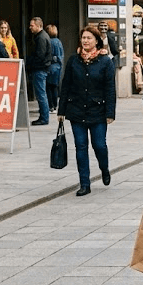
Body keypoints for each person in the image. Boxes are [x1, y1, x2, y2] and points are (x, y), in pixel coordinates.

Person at [58, 26, 116, 196]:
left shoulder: (105, 62)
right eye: (83, 37)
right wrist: (61, 110)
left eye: (89, 38)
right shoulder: (73, 60)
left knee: (99, 145)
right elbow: (66, 85)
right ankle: (85, 183)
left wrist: (110, 113)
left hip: (97, 110)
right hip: (76, 110)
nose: (85, 41)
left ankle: (104, 169)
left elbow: (110, 89)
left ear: (96, 41)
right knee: (81, 147)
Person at [27, 18, 53, 125]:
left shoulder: (41, 38)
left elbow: (40, 55)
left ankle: (44, 117)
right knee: (41, 93)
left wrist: (32, 64)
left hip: (40, 69)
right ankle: (43, 116)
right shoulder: (41, 36)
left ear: (38, 26)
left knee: (41, 93)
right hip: (41, 68)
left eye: (32, 25)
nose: (30, 27)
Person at [46, 24, 65, 112]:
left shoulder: (49, 41)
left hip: (50, 66)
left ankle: (51, 106)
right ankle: (55, 105)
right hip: (58, 66)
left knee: (48, 87)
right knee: (55, 87)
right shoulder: (58, 41)